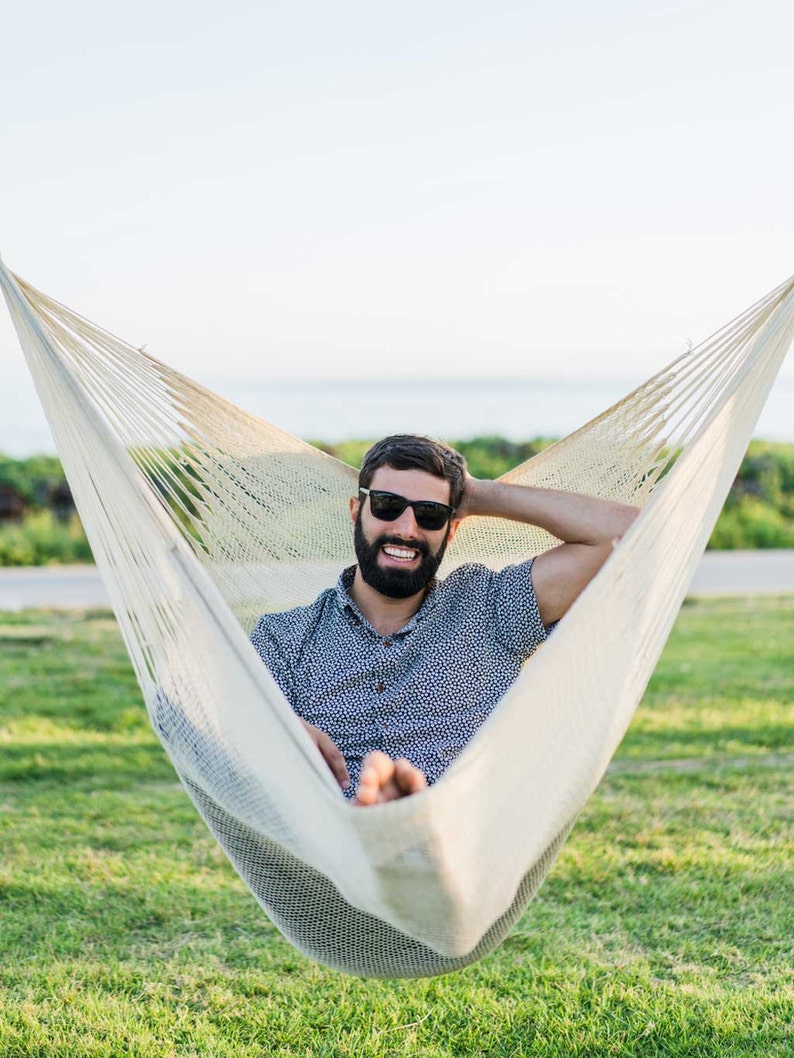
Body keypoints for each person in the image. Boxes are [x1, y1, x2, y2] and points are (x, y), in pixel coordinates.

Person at [250, 435, 639, 806]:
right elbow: (222, 729)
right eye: (387, 505)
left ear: (453, 529)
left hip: (458, 843)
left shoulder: (490, 609)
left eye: (430, 514)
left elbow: (628, 536)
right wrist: (272, 733)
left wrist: (477, 494)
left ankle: (409, 810)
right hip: (330, 847)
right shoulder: (283, 637)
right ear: (356, 511)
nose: (406, 529)